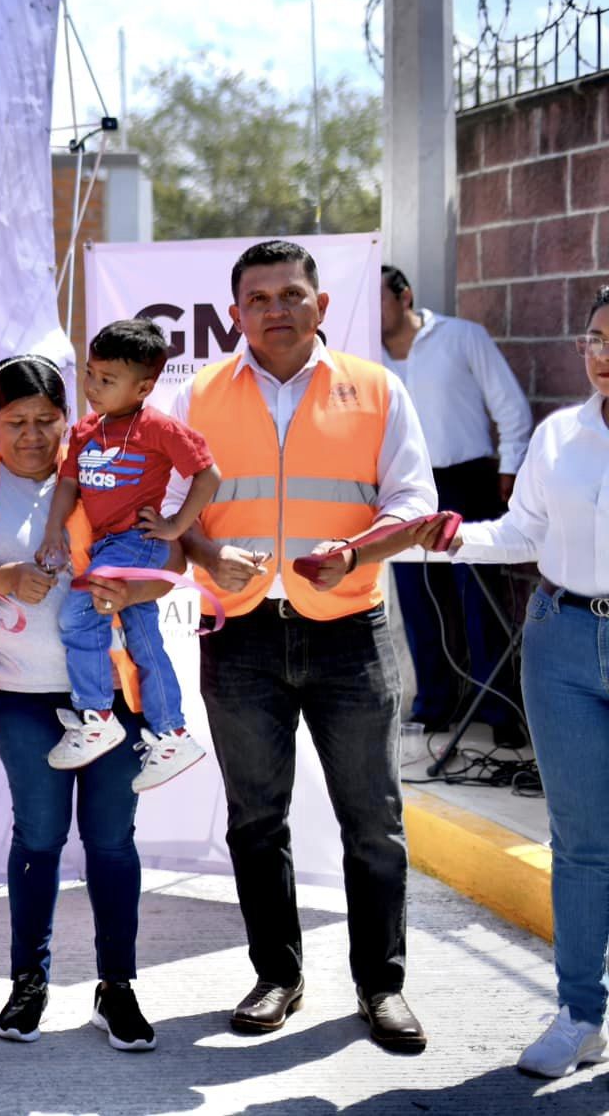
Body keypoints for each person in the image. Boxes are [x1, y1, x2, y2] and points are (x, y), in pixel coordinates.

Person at [174, 239, 437, 1052]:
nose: (276, 310)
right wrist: (206, 554)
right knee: (257, 820)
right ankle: (276, 976)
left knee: (374, 821)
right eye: (259, 299)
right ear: (234, 315)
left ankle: (381, 987)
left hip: (351, 631)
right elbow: (168, 518)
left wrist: (356, 554)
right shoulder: (199, 397)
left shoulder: (376, 389)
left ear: (322, 306)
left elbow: (414, 500)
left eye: (292, 295)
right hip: (242, 633)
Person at [0, 353, 177, 1051]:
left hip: (111, 699)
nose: (33, 435)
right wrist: (2, 577)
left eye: (47, 420)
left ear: (73, 420)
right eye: (16, 422)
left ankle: (117, 988)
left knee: (110, 841)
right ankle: (28, 983)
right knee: (38, 838)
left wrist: (129, 589)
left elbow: (168, 569)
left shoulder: (111, 469)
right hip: (21, 698)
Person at [418, 284, 609, 1078]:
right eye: (594, 339)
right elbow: (523, 532)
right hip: (560, 640)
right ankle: (580, 1012)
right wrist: (448, 540)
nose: (602, 355)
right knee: (582, 841)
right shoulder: (562, 435)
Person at [39, 318, 218, 788]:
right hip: (105, 545)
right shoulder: (83, 431)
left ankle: (96, 715)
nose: (93, 387)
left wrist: (176, 526)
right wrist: (54, 530)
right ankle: (172, 731)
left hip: (135, 544)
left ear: (144, 387)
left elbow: (208, 475)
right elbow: (69, 484)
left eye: (107, 380)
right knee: (143, 638)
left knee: (79, 614)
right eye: (90, 374)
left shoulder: (158, 428)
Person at [379, 263, 532, 742]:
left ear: (405, 297)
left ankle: (501, 714)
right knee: (417, 600)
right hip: (403, 487)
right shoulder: (362, 355)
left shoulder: (462, 337)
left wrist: (510, 469)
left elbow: (510, 407)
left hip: (468, 479)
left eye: (379, 299)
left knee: (478, 600)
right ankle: (432, 706)